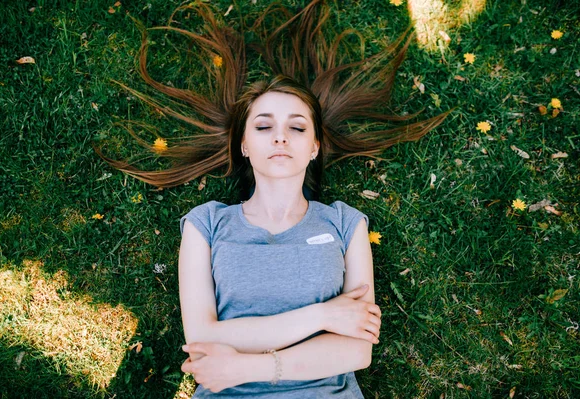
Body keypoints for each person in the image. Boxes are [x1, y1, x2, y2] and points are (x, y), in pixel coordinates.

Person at [96, 1, 450, 397]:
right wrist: (324, 315)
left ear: (315, 147)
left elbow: (356, 348)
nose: (280, 136)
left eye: (296, 128)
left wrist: (246, 364)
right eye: (264, 126)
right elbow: (202, 336)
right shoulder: (206, 224)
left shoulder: (346, 223)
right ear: (244, 145)